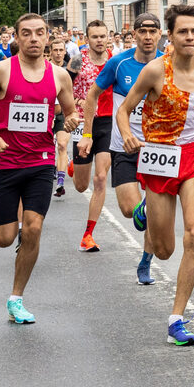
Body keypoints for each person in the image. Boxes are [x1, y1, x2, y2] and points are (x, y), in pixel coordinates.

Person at [118, 5, 194, 345]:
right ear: (169, 36)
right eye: (183, 32)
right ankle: (145, 207)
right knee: (163, 250)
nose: (190, 37)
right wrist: (128, 134)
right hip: (159, 156)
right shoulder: (155, 71)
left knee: (193, 233)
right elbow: (124, 110)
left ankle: (176, 319)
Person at [0, 13, 76, 325]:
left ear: (48, 37)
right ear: (16, 36)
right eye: (26, 33)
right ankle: (18, 238)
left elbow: (70, 114)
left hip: (41, 162)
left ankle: (16, 297)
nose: (33, 38)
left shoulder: (59, 76)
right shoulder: (2, 71)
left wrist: (68, 126)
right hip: (6, 163)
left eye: (39, 33)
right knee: (4, 238)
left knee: (33, 227)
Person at [92, 14, 165, 284]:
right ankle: (149, 207)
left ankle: (146, 260)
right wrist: (87, 133)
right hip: (125, 147)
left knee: (153, 214)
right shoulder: (119, 62)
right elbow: (93, 95)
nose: (147, 36)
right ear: (133, 34)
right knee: (129, 211)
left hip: (160, 148)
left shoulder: (168, 62)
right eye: (142, 31)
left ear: (160, 34)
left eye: (152, 31)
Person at [72, 19, 114, 252]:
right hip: (84, 122)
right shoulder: (78, 61)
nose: (99, 40)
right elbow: (66, 89)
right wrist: (76, 102)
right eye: (94, 37)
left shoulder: (115, 60)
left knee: (100, 178)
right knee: (80, 185)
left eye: (102, 36)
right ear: (87, 39)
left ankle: (88, 234)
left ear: (108, 37)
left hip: (107, 123)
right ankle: (72, 164)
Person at [48, 39, 73, 198]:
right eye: (55, 50)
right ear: (50, 52)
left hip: (64, 112)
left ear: (65, 52)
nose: (58, 53)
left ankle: (61, 183)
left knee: (62, 145)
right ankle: (50, 169)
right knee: (48, 147)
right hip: (47, 112)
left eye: (60, 50)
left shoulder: (69, 71)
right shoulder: (45, 68)